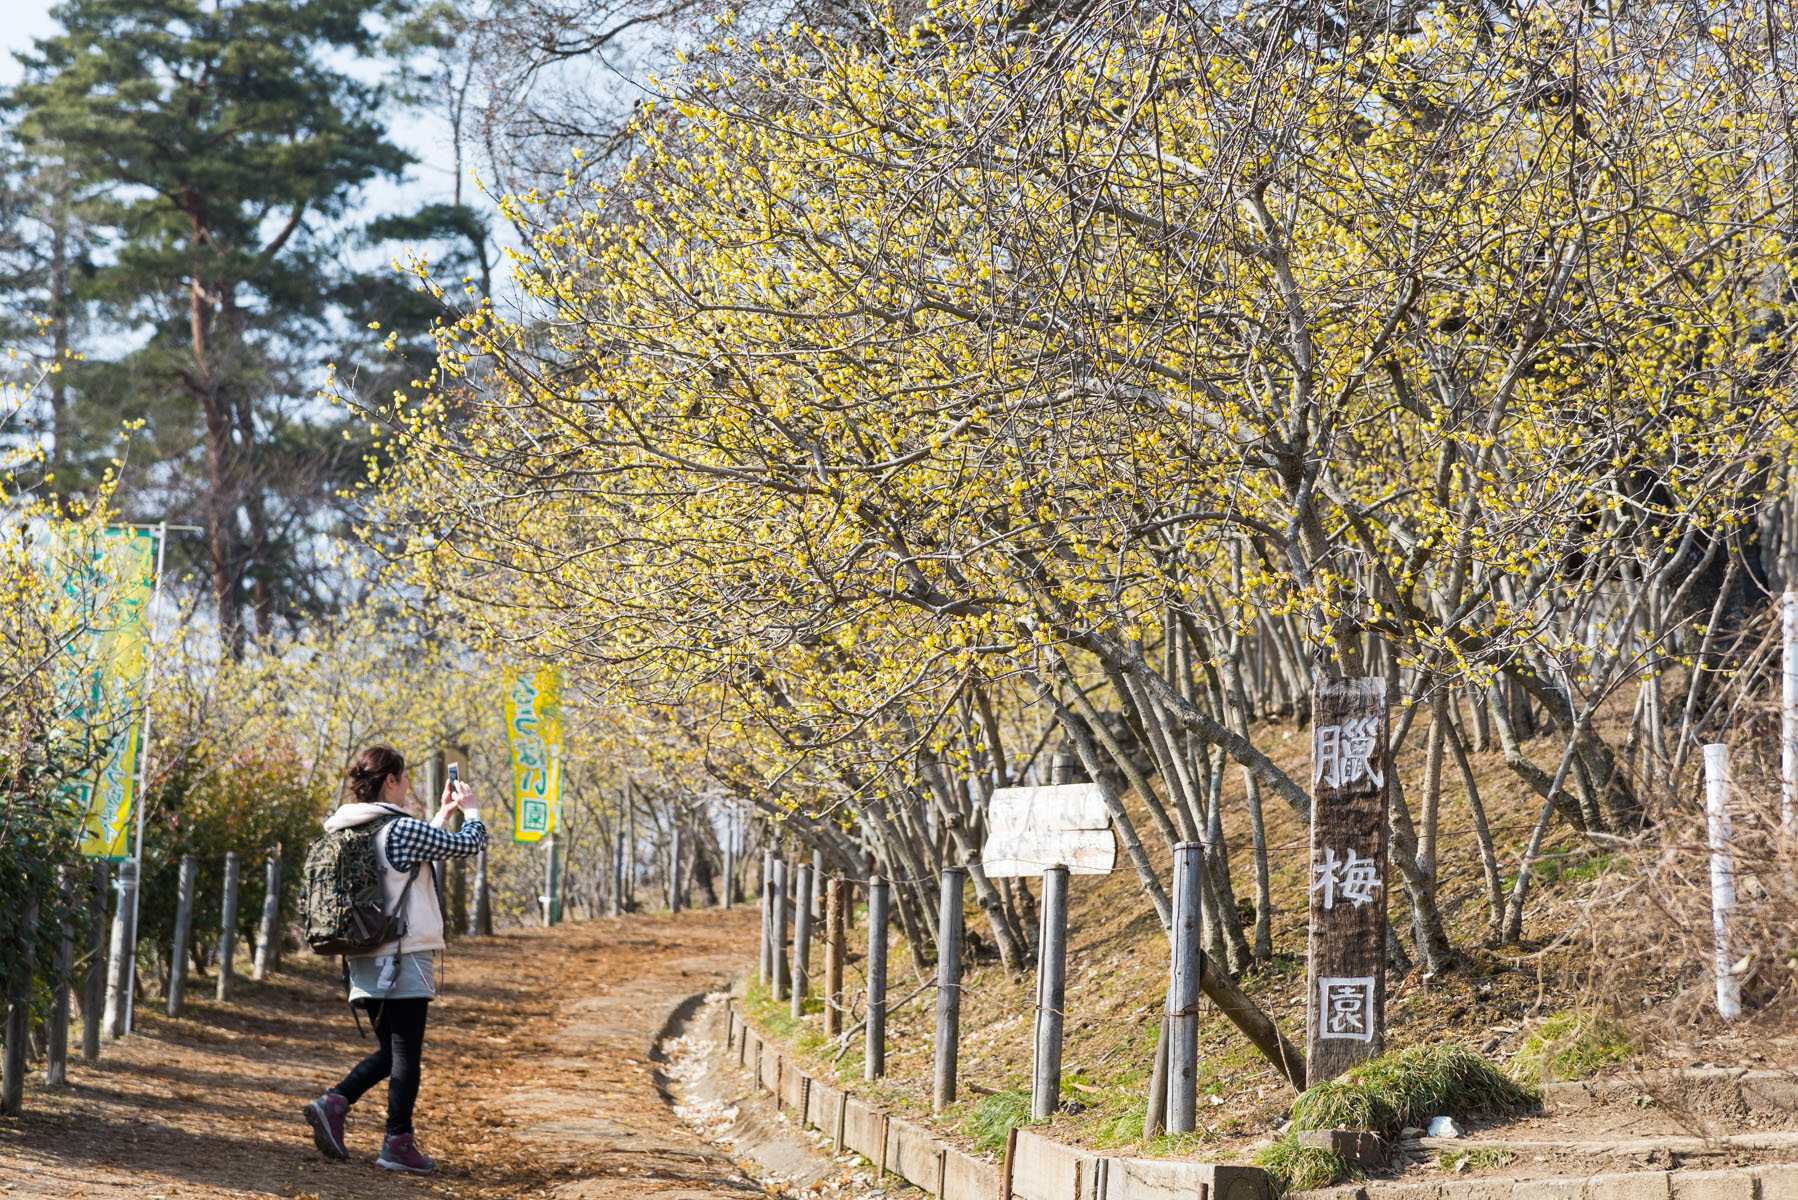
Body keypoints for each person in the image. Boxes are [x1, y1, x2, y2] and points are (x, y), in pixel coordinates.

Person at [302, 745, 488, 1173]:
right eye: (404, 779)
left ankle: (334, 1104)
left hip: (363, 956)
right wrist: (471, 811)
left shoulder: (349, 827)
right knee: (406, 1054)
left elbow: (407, 861)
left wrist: (441, 817)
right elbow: (468, 845)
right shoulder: (400, 829)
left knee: (391, 1051)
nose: (407, 787)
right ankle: (397, 1143)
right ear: (390, 780)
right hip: (403, 954)